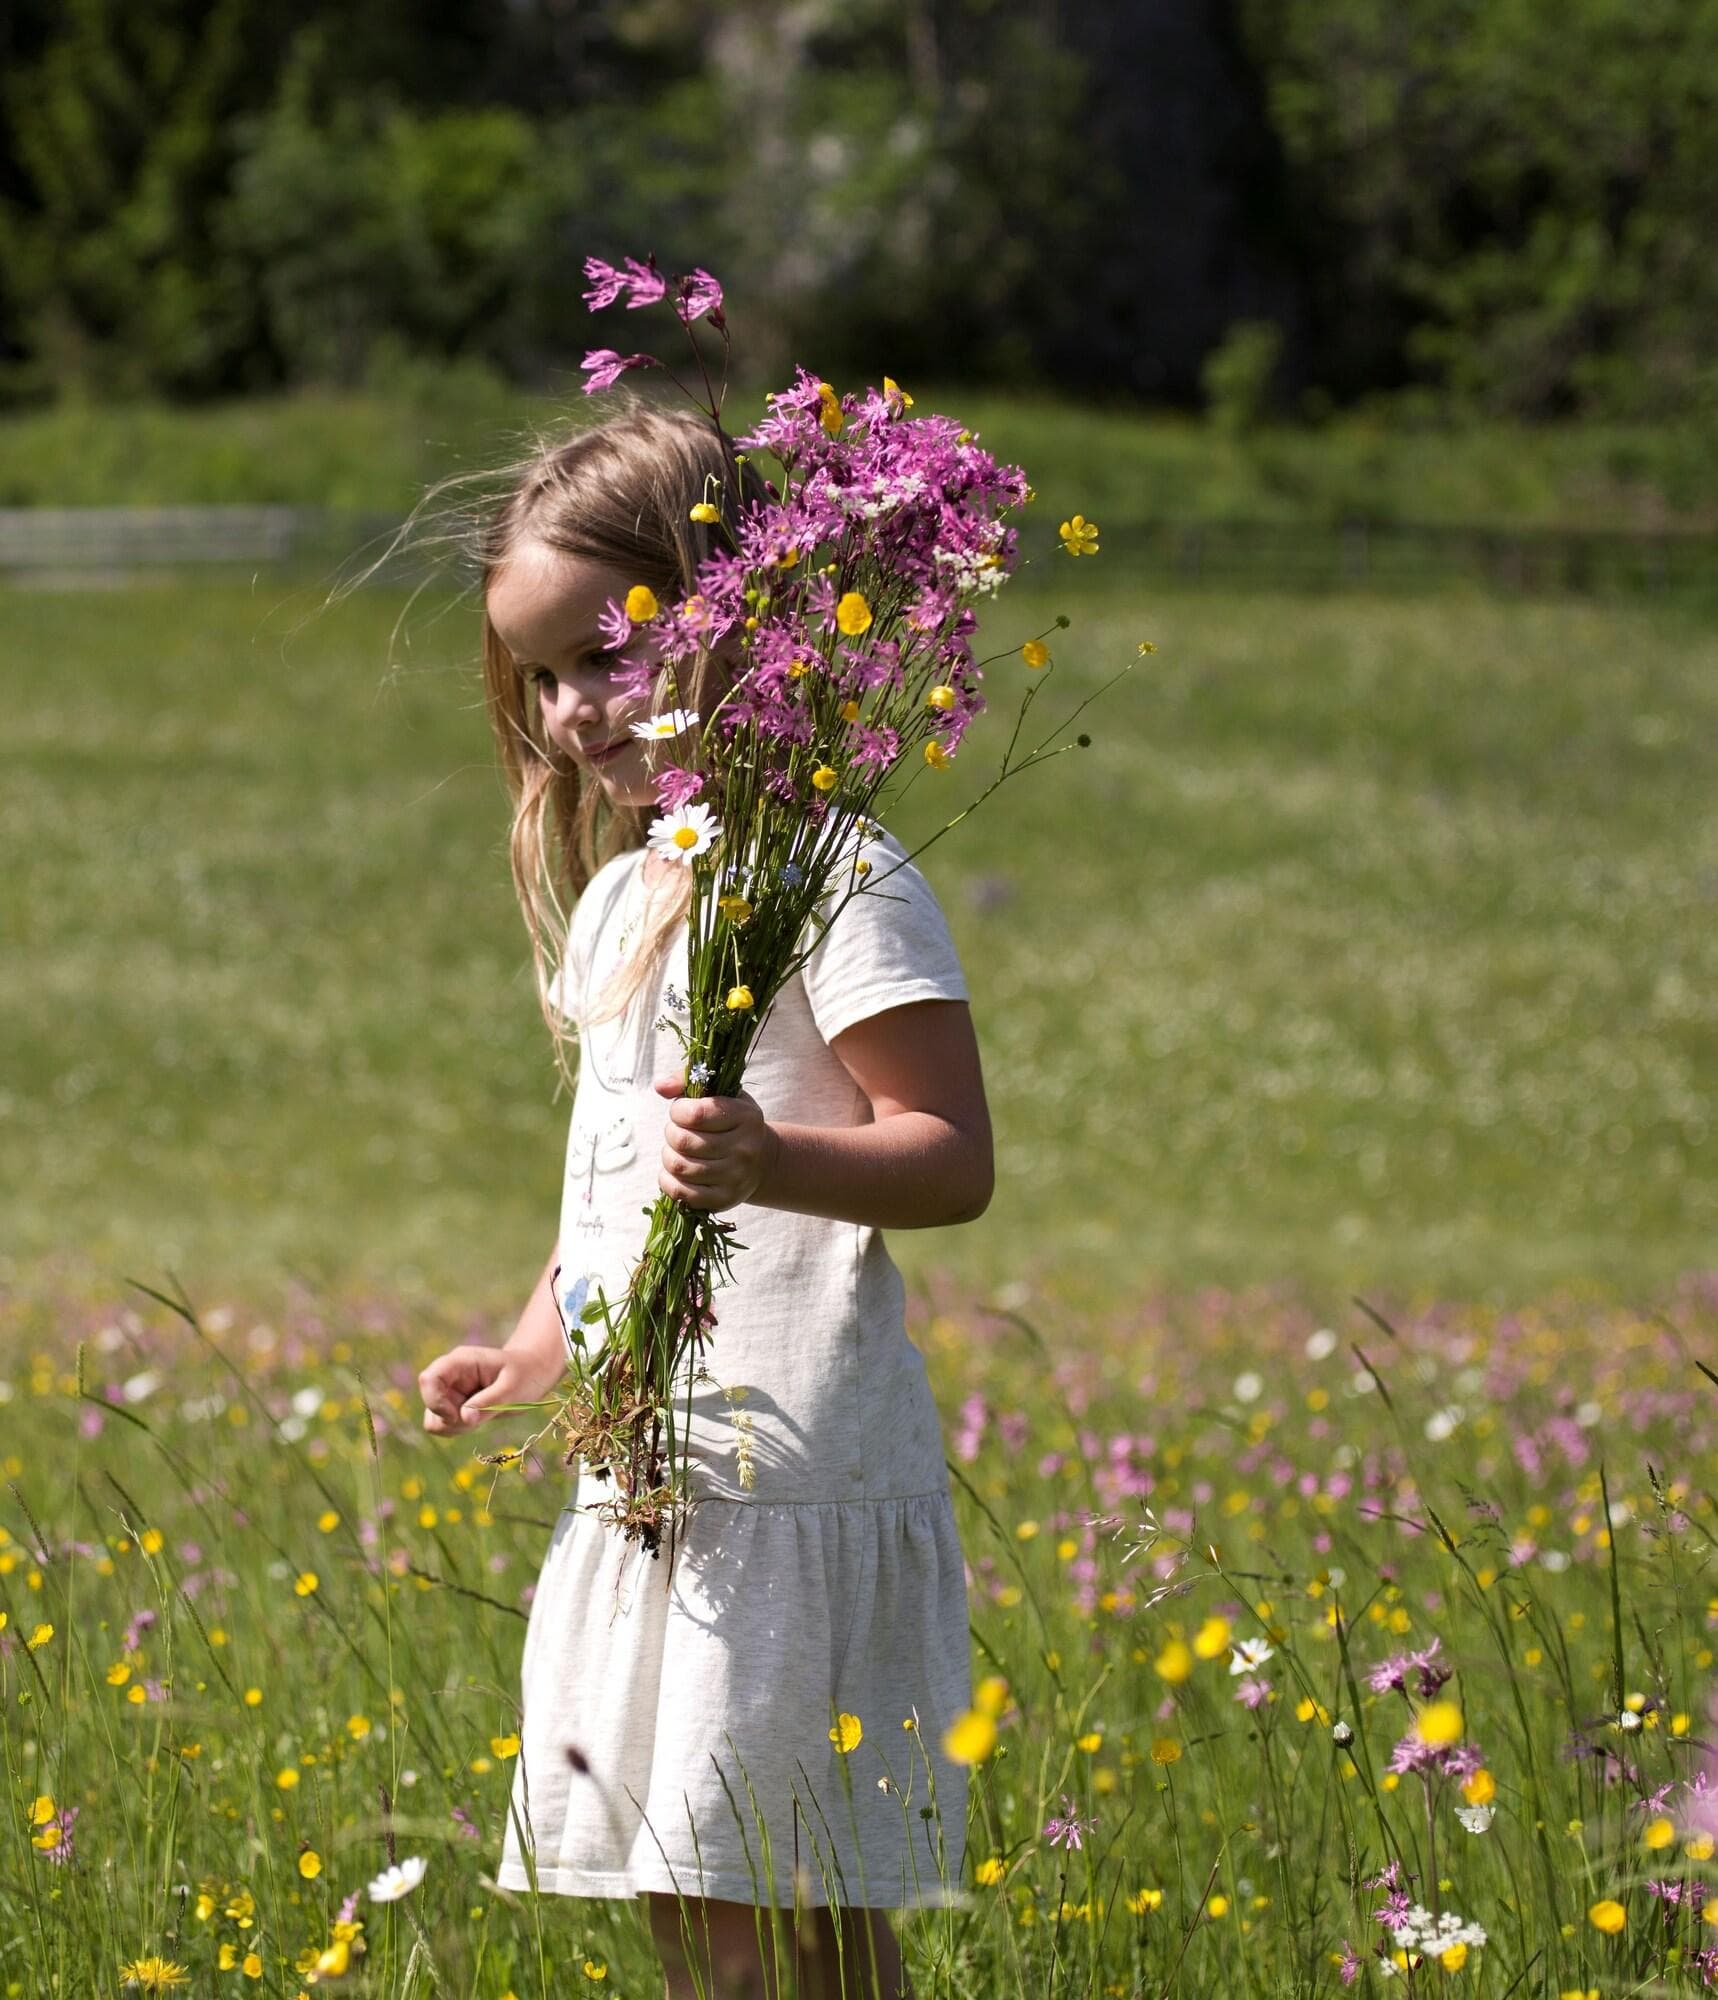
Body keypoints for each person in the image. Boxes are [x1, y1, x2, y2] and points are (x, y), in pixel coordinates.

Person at [413, 398, 994, 2000]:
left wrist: (775, 1159)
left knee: (800, 1889)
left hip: (785, 1466)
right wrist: (532, 1347)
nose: (569, 711)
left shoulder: (835, 877)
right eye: (540, 677)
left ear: (735, 609)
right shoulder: (623, 900)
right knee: (682, 1893)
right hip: (656, 1469)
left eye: (605, 652)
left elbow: (950, 1152)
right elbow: (611, 1192)